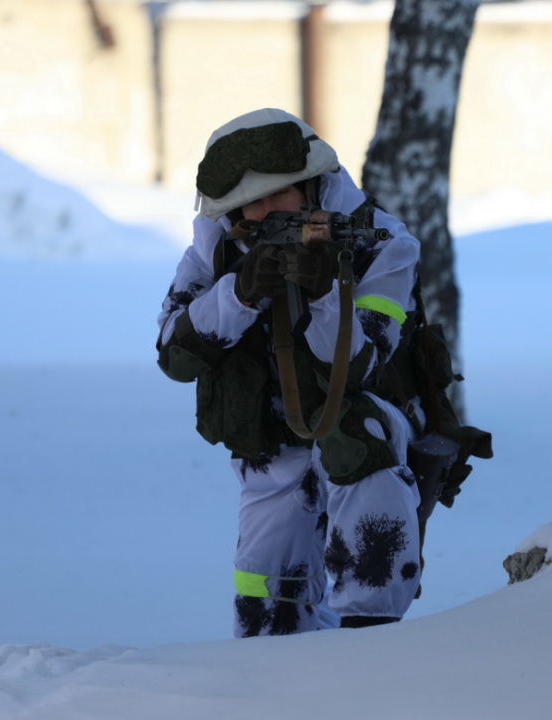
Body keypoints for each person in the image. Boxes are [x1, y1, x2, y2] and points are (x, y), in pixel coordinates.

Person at [156, 108, 427, 636]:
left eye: (279, 195)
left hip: (362, 425)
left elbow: (360, 367)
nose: (264, 213)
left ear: (312, 187)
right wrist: (238, 294)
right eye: (249, 204)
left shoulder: (381, 244)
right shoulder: (216, 250)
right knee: (265, 604)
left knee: (355, 438)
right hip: (269, 448)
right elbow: (173, 356)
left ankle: (372, 637)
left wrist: (329, 292)